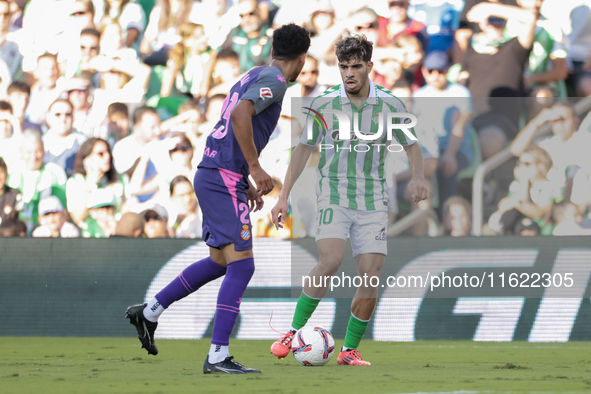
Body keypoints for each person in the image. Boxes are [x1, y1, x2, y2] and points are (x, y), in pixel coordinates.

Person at [125, 23, 310, 374]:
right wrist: (255, 169)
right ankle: (217, 356)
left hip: (215, 172)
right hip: (222, 175)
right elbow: (241, 115)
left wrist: (245, 179)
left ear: (273, 49)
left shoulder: (255, 72)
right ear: (301, 58)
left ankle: (149, 312)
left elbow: (232, 119)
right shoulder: (277, 81)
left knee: (221, 262)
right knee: (243, 264)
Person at [269, 35, 429, 366]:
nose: (349, 73)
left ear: (370, 66)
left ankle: (348, 350)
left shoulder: (390, 104)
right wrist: (283, 196)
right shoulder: (324, 104)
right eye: (344, 67)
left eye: (356, 66)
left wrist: (417, 176)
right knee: (330, 260)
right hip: (333, 194)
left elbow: (412, 145)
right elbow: (302, 151)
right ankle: (292, 330)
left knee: (370, 275)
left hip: (373, 200)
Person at [7, 130, 67, 234]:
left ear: (44, 151)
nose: (33, 157)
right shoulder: (13, 172)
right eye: (28, 152)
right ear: (21, 152)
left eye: (37, 151)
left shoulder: (55, 172)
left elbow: (63, 211)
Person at [66, 137, 126, 225]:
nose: (107, 157)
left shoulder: (119, 180)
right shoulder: (75, 182)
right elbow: (78, 218)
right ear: (87, 159)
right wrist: (89, 187)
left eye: (108, 152)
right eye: (100, 154)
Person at [0, 157, 23, 227]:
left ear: (6, 174)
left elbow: (19, 222)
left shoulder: (15, 195)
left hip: (8, 236)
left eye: (1, 172)